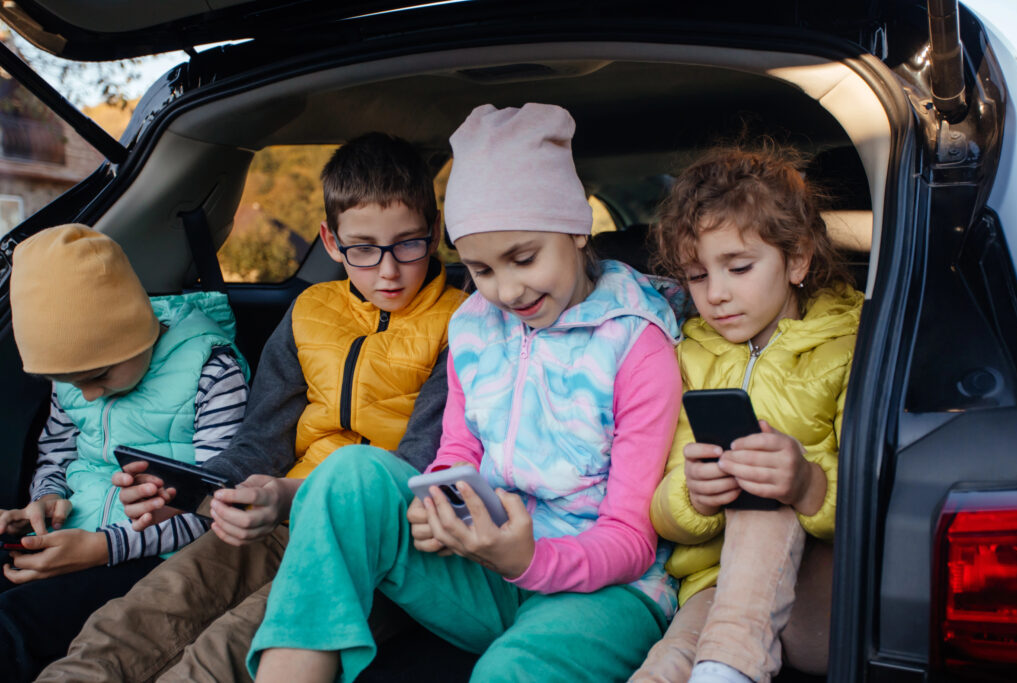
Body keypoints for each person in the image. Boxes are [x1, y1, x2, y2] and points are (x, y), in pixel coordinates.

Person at [247, 102, 685, 683]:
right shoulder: (474, 326)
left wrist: (529, 559)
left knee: (510, 669)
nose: (505, 291)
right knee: (349, 474)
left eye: (523, 258)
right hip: (487, 568)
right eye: (479, 269)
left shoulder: (637, 343)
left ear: (578, 228)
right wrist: (441, 509)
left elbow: (632, 537)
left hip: (610, 592)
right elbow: (455, 455)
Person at [35, 133, 467, 683]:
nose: (388, 271)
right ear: (330, 242)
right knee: (138, 618)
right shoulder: (310, 311)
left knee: (225, 651)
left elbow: (413, 471)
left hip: (375, 543)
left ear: (436, 233)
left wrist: (283, 498)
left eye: (408, 244)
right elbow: (260, 440)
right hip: (280, 516)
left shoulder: (461, 325)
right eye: (363, 248)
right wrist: (189, 488)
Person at [630, 146, 863, 683]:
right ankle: (719, 666)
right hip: (713, 585)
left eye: (738, 267)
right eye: (695, 276)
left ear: (798, 259)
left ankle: (730, 665)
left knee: (767, 485)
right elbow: (661, 508)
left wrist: (804, 483)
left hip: (821, 589)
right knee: (668, 661)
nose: (716, 295)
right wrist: (691, 495)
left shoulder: (852, 344)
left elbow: (872, 496)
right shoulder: (687, 354)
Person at [0, 224, 250, 682]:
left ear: (134, 329)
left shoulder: (211, 371)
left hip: (156, 557)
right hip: (73, 535)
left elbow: (216, 507)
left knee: (17, 623)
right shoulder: (75, 378)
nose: (89, 396)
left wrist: (103, 549)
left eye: (99, 375)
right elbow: (57, 451)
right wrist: (46, 499)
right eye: (73, 384)